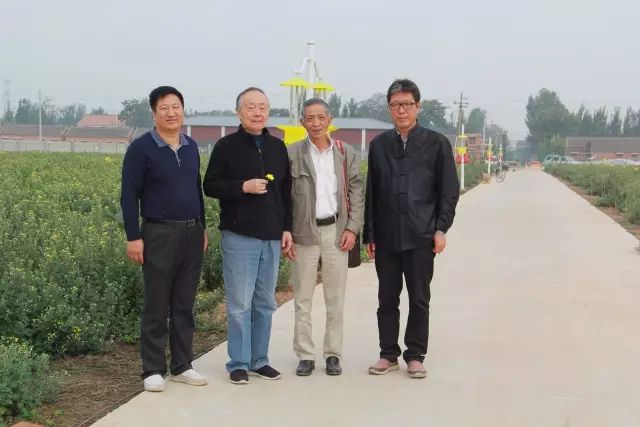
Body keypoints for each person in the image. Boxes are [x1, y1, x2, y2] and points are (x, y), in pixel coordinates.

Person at [364, 79, 459, 379]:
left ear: (418, 106)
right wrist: (370, 234)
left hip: (421, 235)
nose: (401, 110)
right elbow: (372, 192)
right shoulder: (379, 145)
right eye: (395, 105)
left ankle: (415, 355)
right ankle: (387, 354)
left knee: (419, 298)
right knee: (386, 298)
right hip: (387, 236)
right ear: (389, 108)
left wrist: (441, 229)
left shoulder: (436, 144)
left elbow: (448, 191)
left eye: (407, 104)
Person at [120, 86, 208, 392]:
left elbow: (196, 189)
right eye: (164, 108)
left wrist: (202, 227)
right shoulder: (141, 149)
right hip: (158, 233)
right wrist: (133, 236)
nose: (171, 113)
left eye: (176, 107)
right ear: (154, 114)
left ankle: (182, 365)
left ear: (183, 110)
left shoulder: (191, 146)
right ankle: (153, 369)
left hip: (192, 233)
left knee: (184, 303)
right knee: (157, 303)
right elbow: (129, 195)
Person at [203, 87, 293, 385]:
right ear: (239, 112)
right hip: (239, 235)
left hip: (271, 236)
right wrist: (242, 187)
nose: (257, 112)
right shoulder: (226, 146)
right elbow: (210, 185)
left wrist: (286, 228)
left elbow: (286, 192)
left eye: (262, 107)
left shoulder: (277, 147)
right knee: (240, 304)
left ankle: (260, 360)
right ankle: (238, 363)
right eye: (251, 107)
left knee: (265, 303)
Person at [285, 98, 364, 376]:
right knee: (302, 298)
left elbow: (357, 192)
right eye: (310, 118)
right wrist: (286, 231)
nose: (316, 123)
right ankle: (305, 355)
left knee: (335, 298)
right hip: (303, 232)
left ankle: (333, 354)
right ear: (302, 122)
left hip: (336, 231)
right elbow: (283, 197)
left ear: (330, 120)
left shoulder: (344, 152)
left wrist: (352, 228)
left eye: (321, 117)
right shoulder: (291, 153)